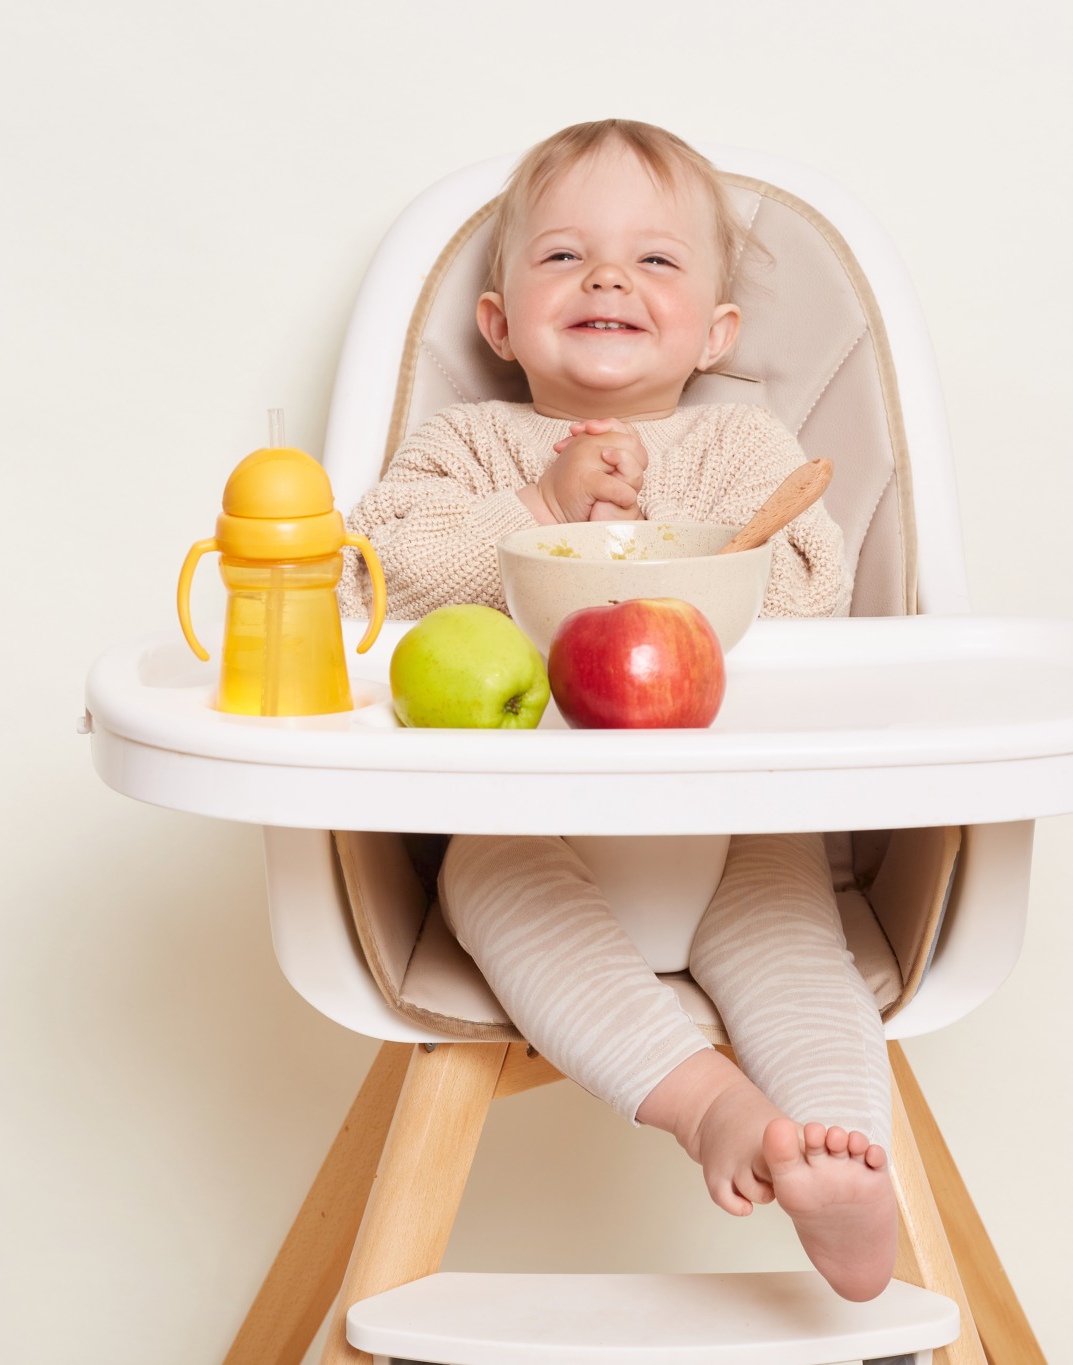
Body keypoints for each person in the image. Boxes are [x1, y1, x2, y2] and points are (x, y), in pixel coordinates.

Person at [339, 120, 895, 1301]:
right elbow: (377, 575)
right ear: (497, 323)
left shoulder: (740, 447)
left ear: (714, 332)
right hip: (522, 817)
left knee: (791, 935)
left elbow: (808, 588)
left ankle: (844, 1158)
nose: (606, 280)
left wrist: (660, 559)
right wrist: (538, 509)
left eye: (655, 262)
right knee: (489, 884)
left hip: (736, 817)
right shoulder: (471, 444)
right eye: (559, 258)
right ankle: (709, 1110)